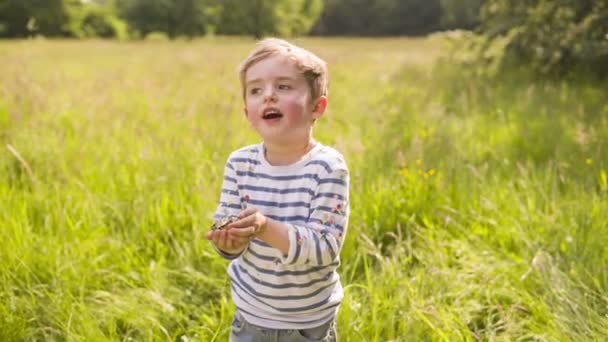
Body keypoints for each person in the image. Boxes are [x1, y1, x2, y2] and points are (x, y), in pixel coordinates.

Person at [206, 38, 350, 342]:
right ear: (248, 113)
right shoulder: (240, 164)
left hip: (307, 324)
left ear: (317, 106)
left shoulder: (327, 167)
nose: (268, 95)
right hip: (250, 315)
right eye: (256, 90)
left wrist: (264, 226)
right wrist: (229, 242)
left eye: (283, 87)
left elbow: (325, 248)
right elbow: (230, 236)